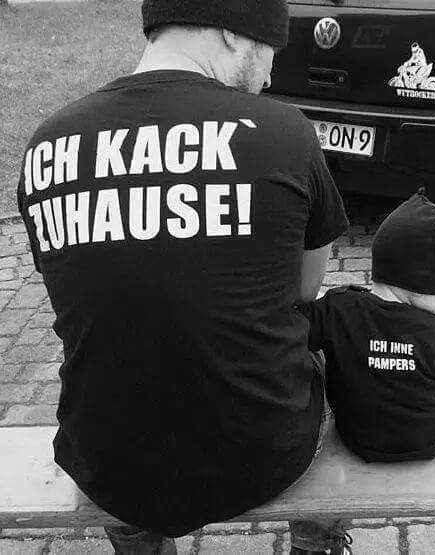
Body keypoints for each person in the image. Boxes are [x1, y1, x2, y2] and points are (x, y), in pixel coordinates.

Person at [17, 1, 349, 553]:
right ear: (232, 32)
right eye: (270, 50)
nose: (270, 76)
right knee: (341, 356)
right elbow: (302, 292)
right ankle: (317, 543)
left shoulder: (45, 146)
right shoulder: (285, 133)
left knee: (110, 372)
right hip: (264, 453)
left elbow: (83, 295)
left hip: (108, 460)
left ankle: (138, 544)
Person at [292, 190, 435, 553]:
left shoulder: (340, 309)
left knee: (317, 366)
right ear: (419, 286)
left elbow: (296, 326)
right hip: (433, 436)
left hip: (358, 436)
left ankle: (314, 541)